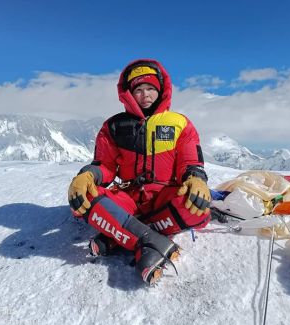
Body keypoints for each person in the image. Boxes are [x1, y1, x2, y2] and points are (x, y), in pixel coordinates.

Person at [67, 59, 211, 285]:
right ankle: (150, 242)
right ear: (129, 94)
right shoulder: (113, 127)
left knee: (198, 206)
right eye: (139, 90)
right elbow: (104, 166)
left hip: (165, 197)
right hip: (129, 198)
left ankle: (120, 233)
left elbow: (191, 163)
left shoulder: (180, 124)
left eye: (151, 89)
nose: (145, 95)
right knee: (83, 197)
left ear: (161, 90)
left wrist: (196, 180)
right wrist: (87, 175)